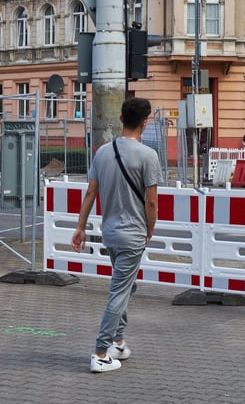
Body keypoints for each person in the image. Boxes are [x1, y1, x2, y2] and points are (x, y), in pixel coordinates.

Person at [72, 97, 163, 374]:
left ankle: (119, 342)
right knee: (119, 292)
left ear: (121, 119)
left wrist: (80, 227)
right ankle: (101, 352)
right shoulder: (148, 155)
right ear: (145, 123)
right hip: (133, 235)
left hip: (110, 233)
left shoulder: (102, 152)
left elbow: (90, 193)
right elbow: (151, 202)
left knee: (126, 286)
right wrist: (150, 228)